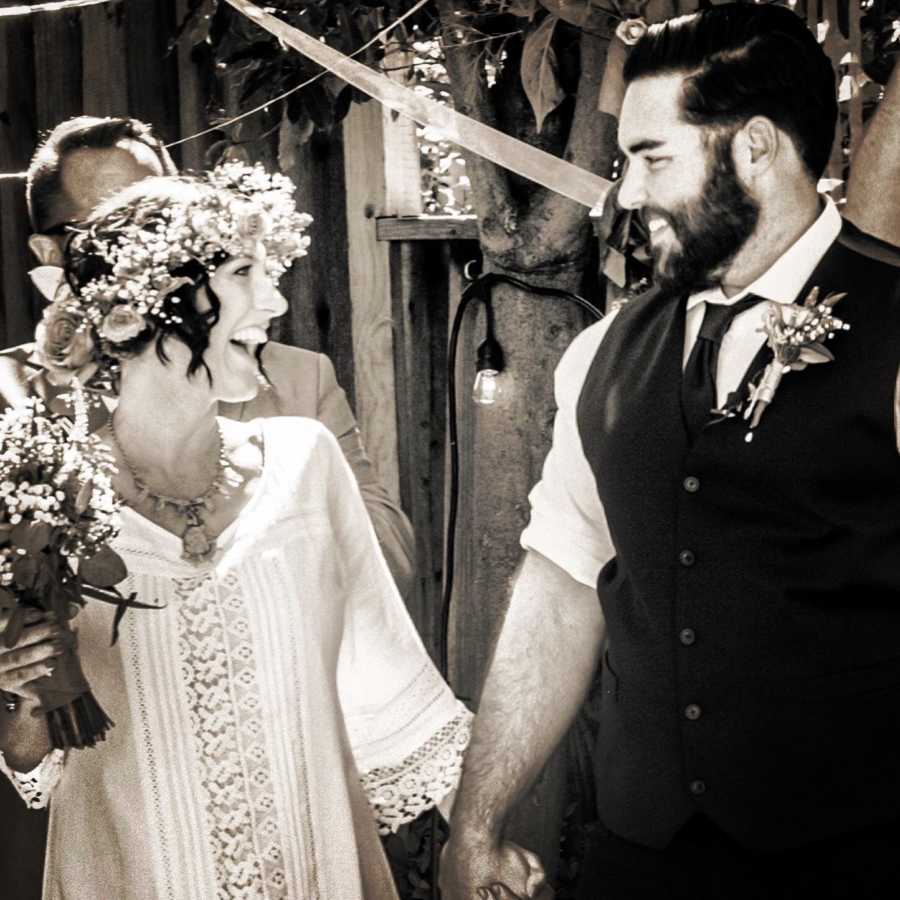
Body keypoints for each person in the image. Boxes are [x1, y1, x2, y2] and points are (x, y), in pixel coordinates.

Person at [441, 5, 900, 899]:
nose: (629, 194)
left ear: (756, 148)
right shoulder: (602, 352)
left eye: (654, 157)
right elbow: (562, 584)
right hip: (642, 860)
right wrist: (478, 822)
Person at [0, 164, 470, 899]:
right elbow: (35, 762)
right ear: (134, 310)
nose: (277, 301)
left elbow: (386, 695)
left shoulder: (306, 463)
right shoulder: (41, 496)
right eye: (244, 272)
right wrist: (22, 691)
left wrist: (481, 837)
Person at [0, 115, 414, 597]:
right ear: (49, 253)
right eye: (110, 230)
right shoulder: (9, 395)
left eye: (161, 226)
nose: (141, 251)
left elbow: (393, 562)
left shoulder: (299, 379)